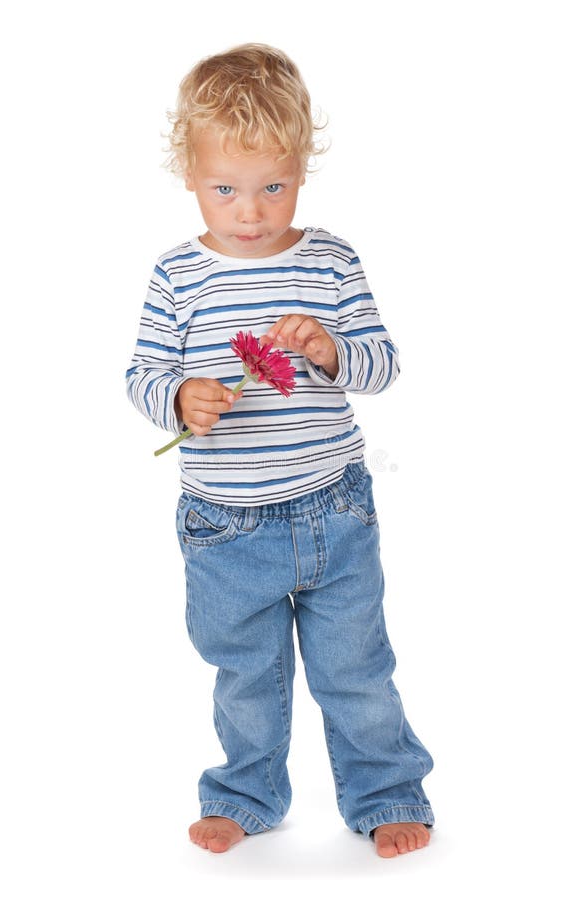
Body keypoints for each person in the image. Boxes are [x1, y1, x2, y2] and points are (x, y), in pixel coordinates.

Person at [125, 43, 436, 858]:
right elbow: (143, 373)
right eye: (226, 188)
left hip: (334, 509)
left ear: (303, 167)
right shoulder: (177, 276)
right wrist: (181, 399)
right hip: (224, 525)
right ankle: (244, 793)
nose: (252, 212)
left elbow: (382, 365)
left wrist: (331, 348)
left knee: (356, 671)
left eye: (274, 186)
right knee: (246, 679)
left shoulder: (330, 259)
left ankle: (386, 791)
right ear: (189, 176)